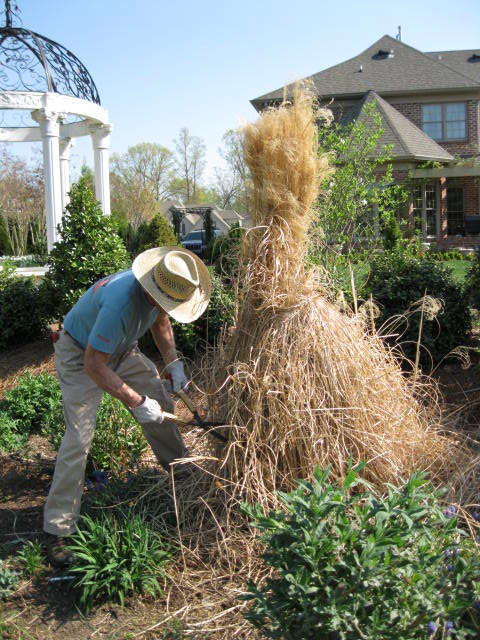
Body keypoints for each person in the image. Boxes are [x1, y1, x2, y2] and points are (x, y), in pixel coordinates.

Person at [44, 246, 211, 567]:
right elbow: (94, 365)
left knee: (160, 400)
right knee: (79, 437)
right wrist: (136, 402)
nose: (170, 307)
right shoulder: (121, 304)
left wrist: (173, 363)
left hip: (119, 349)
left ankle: (180, 473)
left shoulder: (160, 286)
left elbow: (160, 319)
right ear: (155, 290)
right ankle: (58, 527)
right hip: (80, 354)